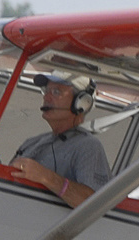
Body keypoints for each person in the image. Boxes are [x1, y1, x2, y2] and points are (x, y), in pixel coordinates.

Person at [11, 73, 111, 207]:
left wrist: (45, 177)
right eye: (46, 91)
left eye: (56, 92)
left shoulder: (88, 146)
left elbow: (95, 204)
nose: (46, 97)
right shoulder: (31, 142)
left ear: (81, 103)